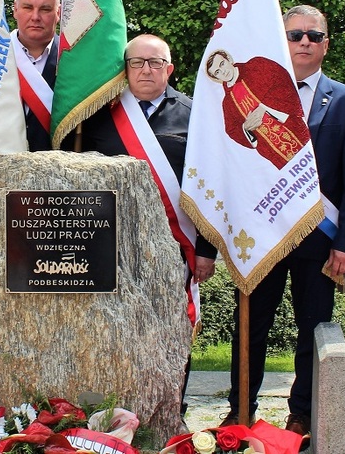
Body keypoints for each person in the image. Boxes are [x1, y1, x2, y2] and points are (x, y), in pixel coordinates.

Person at [223, 5, 345, 446]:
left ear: (326, 44)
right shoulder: (252, 94)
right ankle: (241, 406)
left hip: (319, 239)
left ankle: (303, 413)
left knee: (314, 327)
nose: (304, 41)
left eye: (313, 35)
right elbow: (235, 160)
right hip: (262, 234)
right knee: (250, 325)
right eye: (294, 35)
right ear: (280, 41)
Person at [81, 34, 217, 411]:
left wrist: (206, 250)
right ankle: (119, 409)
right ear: (125, 69)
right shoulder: (97, 116)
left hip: (175, 247)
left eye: (155, 63)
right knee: (116, 331)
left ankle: (172, 407)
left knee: (172, 330)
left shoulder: (195, 115)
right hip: (111, 247)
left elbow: (210, 187)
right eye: (137, 62)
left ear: (169, 69)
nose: (146, 70)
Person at [204, 50, 309, 169]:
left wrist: (264, 108)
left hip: (293, 128)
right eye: (217, 72)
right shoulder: (228, 104)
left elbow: (282, 78)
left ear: (228, 59)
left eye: (222, 64)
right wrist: (246, 128)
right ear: (216, 78)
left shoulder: (256, 66)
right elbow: (232, 130)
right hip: (273, 150)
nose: (223, 71)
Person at [10, 0, 61, 150]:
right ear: (15, 9)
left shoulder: (74, 61)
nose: (35, 17)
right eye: (28, 7)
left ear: (58, 13)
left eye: (45, 9)